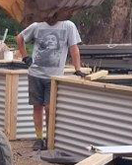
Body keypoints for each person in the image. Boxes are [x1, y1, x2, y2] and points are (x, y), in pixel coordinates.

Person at [16, 15, 83, 152]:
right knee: (37, 107)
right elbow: (20, 37)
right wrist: (25, 57)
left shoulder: (68, 26)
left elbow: (74, 48)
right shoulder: (37, 25)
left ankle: (49, 138)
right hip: (35, 74)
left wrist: (78, 69)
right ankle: (39, 138)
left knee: (49, 108)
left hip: (54, 77)